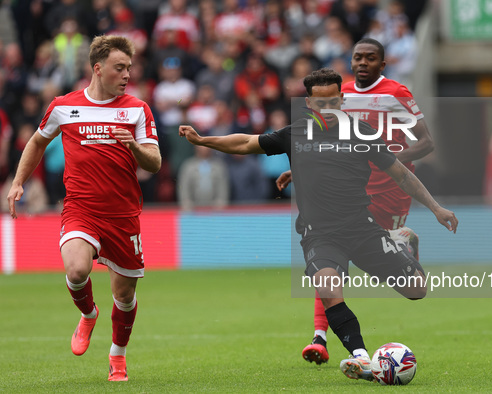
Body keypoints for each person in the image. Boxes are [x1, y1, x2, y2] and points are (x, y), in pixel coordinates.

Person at [178, 68, 457, 381]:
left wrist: (435, 208)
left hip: (362, 228)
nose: (328, 109)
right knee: (327, 286)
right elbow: (245, 142)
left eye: (334, 102)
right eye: (321, 104)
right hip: (320, 235)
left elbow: (401, 174)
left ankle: (401, 240)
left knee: (417, 290)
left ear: (342, 100)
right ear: (309, 103)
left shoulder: (361, 132)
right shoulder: (295, 133)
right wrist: (204, 140)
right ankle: (362, 358)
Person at [6, 35, 161, 382]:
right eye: (119, 68)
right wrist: (18, 181)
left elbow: (155, 163)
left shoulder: (137, 108)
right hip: (81, 208)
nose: (126, 75)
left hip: (123, 214)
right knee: (76, 271)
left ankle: (117, 355)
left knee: (124, 294)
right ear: (97, 68)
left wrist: (134, 147)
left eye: (129, 69)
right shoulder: (63, 106)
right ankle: (88, 314)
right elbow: (37, 141)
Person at [276, 38, 435, 365]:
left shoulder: (396, 94)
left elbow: (426, 142)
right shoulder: (338, 93)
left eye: (370, 58)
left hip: (389, 192)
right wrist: (302, 171)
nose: (362, 63)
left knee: (339, 257)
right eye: (357, 58)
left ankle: (401, 243)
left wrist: (383, 159)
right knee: (330, 260)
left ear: (382, 63)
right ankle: (320, 337)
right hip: (350, 190)